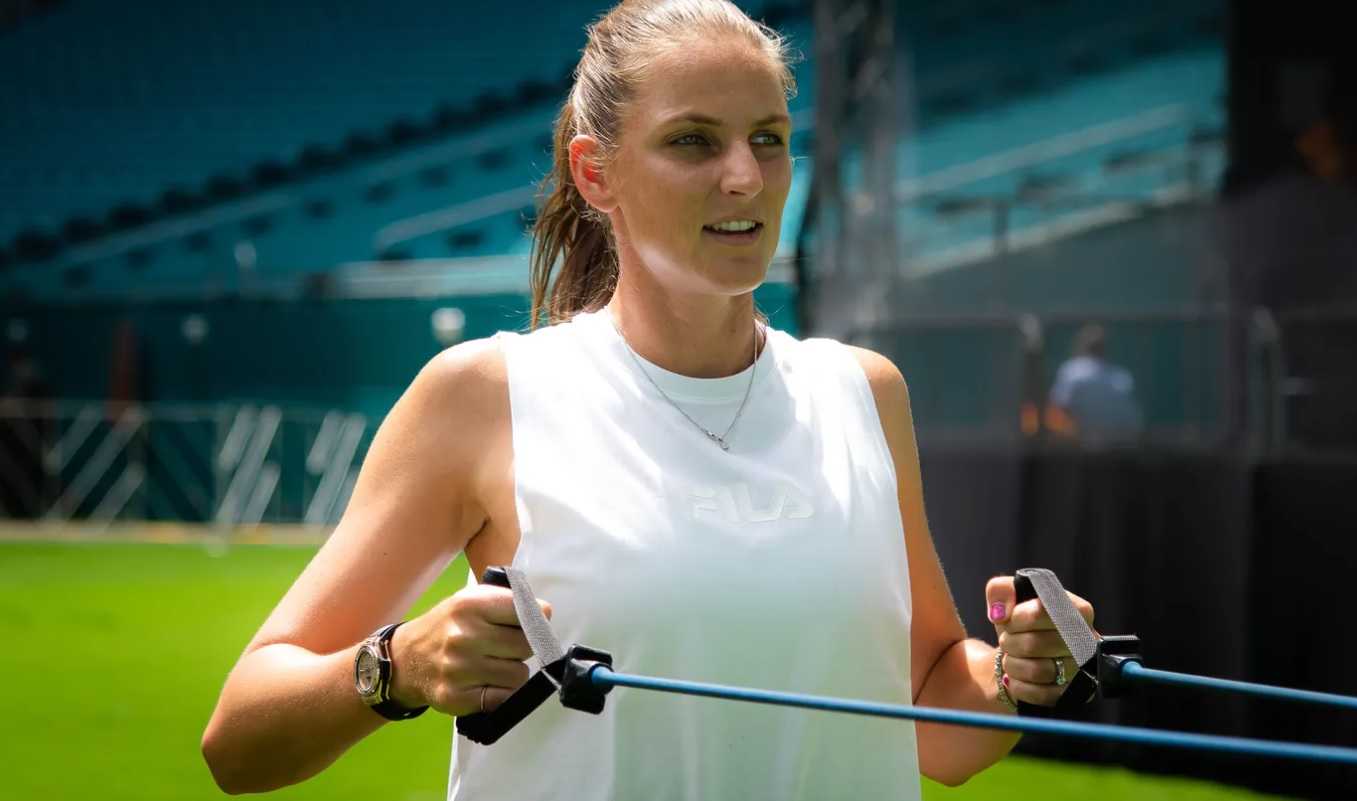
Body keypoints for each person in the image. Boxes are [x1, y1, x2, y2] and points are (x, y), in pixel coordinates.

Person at [201, 1, 1100, 797]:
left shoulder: (862, 392)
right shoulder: (487, 395)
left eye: (769, 137)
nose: (745, 176)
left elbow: (931, 712)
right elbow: (240, 742)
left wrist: (1020, 673)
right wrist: (394, 665)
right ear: (596, 174)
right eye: (692, 140)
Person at [1048, 324, 1143, 442]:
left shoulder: (1071, 371)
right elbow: (1134, 422)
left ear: (1080, 345)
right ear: (1105, 349)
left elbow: (1057, 408)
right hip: (1122, 445)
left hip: (1084, 447)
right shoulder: (1121, 376)